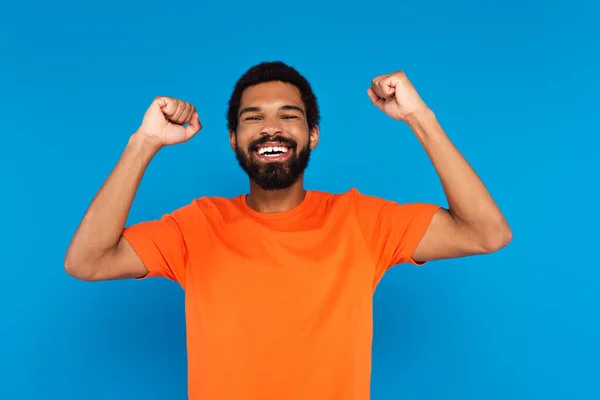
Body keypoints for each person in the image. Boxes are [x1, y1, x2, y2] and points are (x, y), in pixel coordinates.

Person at [64, 61, 511, 399]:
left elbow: (486, 233)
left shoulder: (363, 221)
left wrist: (419, 117)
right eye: (252, 117)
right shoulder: (195, 226)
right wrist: (144, 143)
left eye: (289, 115)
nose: (271, 127)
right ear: (234, 138)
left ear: (313, 134)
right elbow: (87, 261)